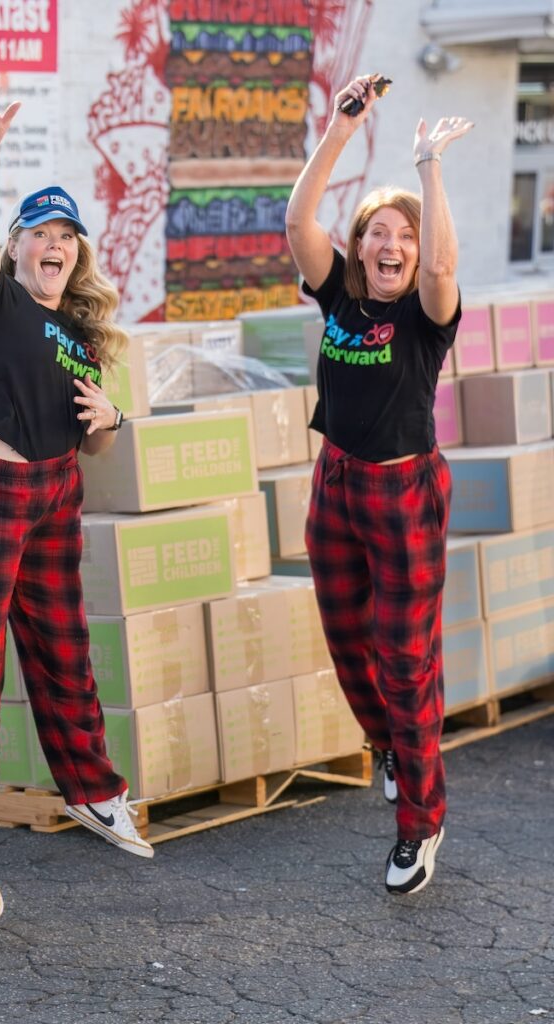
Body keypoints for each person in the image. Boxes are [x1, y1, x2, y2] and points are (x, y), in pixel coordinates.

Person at [0, 72, 152, 922]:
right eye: (40, 232)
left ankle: (94, 790)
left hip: (53, 490)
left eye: (68, 236)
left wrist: (112, 414)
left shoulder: (82, 334)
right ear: (18, 248)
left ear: (78, 254)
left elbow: (93, 435)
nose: (55, 244)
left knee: (64, 651)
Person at [285, 74, 473, 895]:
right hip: (337, 484)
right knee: (348, 643)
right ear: (359, 247)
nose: (392, 246)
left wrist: (426, 169)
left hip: (405, 494)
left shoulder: (427, 318)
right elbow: (298, 220)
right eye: (378, 234)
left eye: (404, 236)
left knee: (406, 662)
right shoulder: (338, 298)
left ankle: (418, 824)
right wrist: (341, 130)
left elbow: (441, 263)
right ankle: (391, 745)